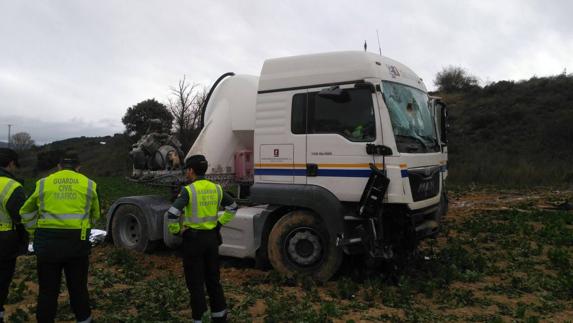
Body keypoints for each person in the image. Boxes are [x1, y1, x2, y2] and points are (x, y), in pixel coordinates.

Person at [20, 152, 99, 323]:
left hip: (47, 245)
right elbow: (95, 215)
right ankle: (84, 320)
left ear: (59, 166)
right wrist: (82, 229)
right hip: (77, 245)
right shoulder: (89, 184)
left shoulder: (43, 184)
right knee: (78, 289)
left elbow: (25, 212)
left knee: (48, 291)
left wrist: (35, 231)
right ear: (78, 167)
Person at [167, 155, 237, 323]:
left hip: (193, 241)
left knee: (196, 283)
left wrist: (176, 231)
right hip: (212, 240)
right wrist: (219, 223)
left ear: (191, 170)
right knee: (213, 280)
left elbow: (172, 213)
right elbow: (233, 207)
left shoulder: (188, 190)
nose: (186, 174)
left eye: (187, 170)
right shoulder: (217, 189)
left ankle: (200, 319)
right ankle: (219, 317)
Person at [0, 148, 27, 323]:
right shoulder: (12, 186)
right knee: (1, 280)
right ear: (10, 164)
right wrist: (24, 242)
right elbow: (21, 219)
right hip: (4, 240)